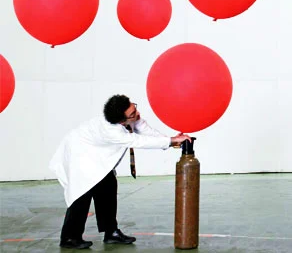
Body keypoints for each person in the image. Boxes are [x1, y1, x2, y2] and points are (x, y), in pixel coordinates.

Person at [49, 94, 191, 249]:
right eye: (132, 114)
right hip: (79, 155)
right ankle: (69, 238)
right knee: (81, 194)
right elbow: (138, 141)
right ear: (121, 120)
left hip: (96, 156)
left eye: (134, 108)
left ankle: (111, 232)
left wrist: (169, 140)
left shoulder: (128, 117)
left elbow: (144, 130)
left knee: (108, 186)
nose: (136, 114)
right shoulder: (110, 130)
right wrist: (170, 141)